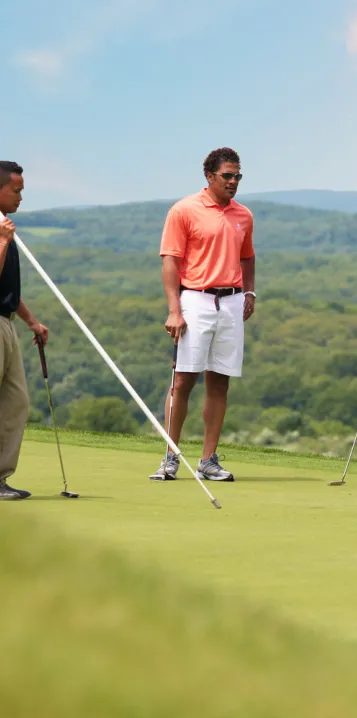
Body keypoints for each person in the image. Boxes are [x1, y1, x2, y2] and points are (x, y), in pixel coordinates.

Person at [150, 148, 255, 482]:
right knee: (183, 380)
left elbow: (247, 257)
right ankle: (170, 457)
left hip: (231, 302)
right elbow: (171, 260)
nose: (233, 182)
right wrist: (173, 309)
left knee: (219, 381)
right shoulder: (184, 210)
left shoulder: (243, 215)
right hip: (194, 299)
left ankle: (208, 460)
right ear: (209, 176)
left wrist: (249, 292)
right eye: (227, 176)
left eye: (238, 176)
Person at [0, 161, 49, 500]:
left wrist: (31, 320)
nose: (20, 198)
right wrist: (3, 242)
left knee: (16, 401)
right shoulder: (3, 231)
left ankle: (0, 478)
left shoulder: (4, 226)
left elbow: (7, 288)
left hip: (7, 323)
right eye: (15, 191)